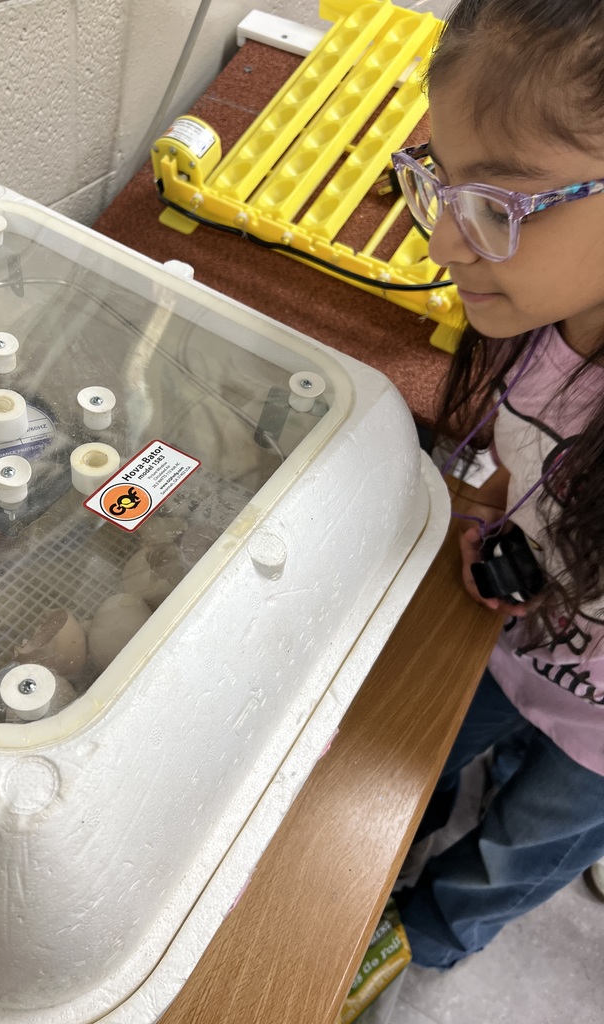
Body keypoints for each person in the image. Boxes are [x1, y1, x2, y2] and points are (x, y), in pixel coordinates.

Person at [388, 0, 604, 969]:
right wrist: (480, 514)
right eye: (441, 188)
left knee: (516, 852)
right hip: (501, 637)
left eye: (498, 209)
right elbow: (504, 457)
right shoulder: (535, 320)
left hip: (595, 732)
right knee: (416, 758)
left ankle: (425, 943)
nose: (442, 246)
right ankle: (381, 881)